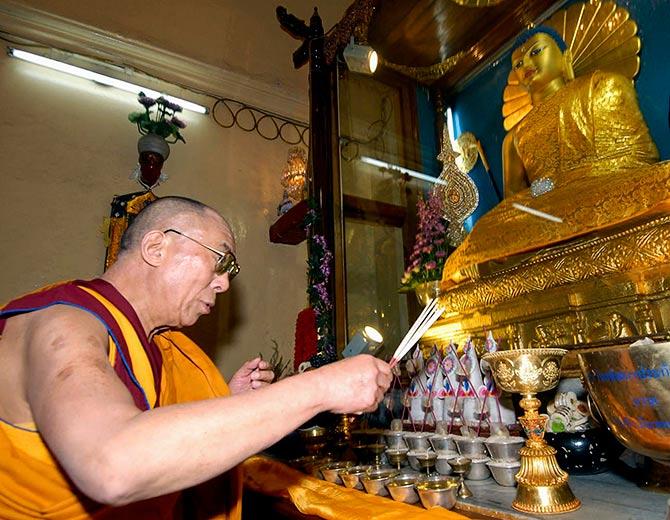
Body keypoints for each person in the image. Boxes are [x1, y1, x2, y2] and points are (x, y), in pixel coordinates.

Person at [0, 196, 392, 519]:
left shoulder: (160, 343)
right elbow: (111, 464)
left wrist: (225, 400)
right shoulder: (64, 323)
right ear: (156, 247)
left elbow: (148, 429)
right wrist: (319, 387)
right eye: (221, 262)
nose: (223, 283)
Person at [442, 27, 670, 283]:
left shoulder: (602, 85)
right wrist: (549, 187)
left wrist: (577, 183)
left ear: (566, 58)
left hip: (606, 186)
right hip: (547, 205)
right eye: (518, 63)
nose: (526, 63)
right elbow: (517, 202)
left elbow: (640, 157)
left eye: (536, 51)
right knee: (483, 232)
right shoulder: (514, 137)